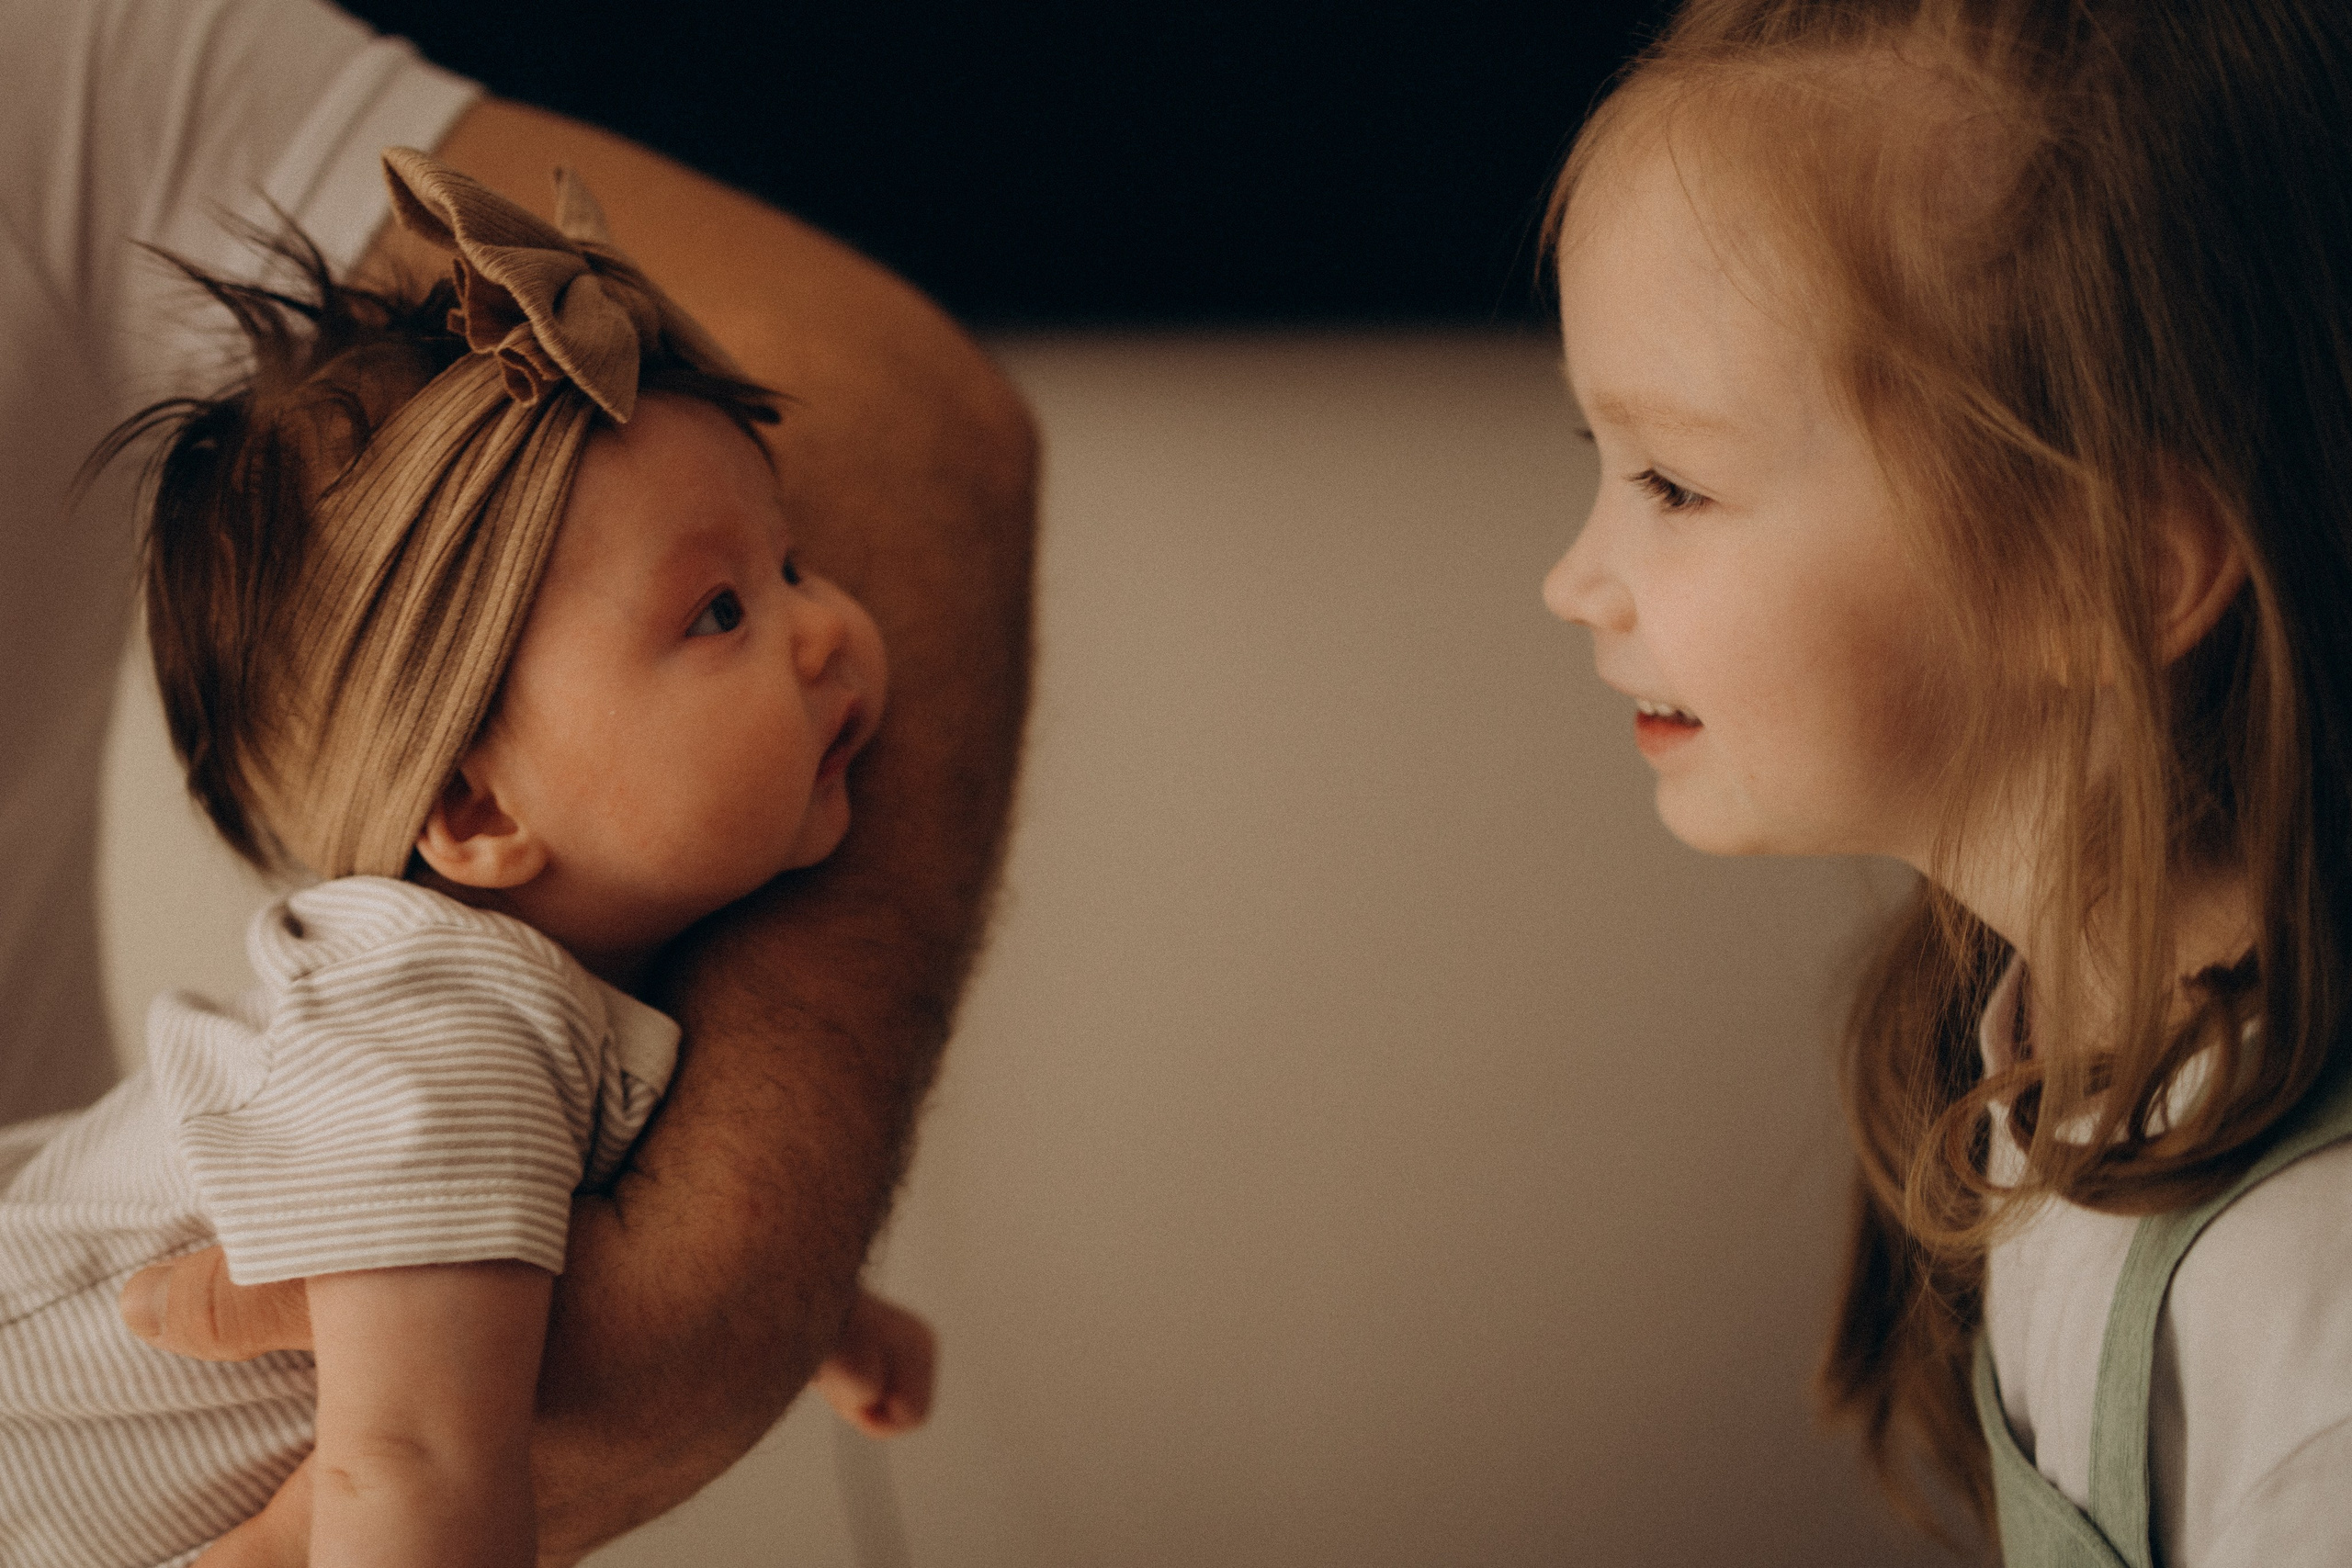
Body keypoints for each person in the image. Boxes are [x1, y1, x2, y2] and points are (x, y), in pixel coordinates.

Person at [1, 0, 1033, 1559]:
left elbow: (572, 1235)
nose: (832, 629)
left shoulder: (524, 1007)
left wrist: (795, 1301)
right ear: (477, 811)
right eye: (723, 611)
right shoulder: (450, 1031)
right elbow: (406, 1478)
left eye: (793, 557)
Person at [1543, 1, 2352, 1562]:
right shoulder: (2056, 1064)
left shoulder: (2310, 1312)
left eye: (1673, 483)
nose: (1578, 579)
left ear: (2101, 567)